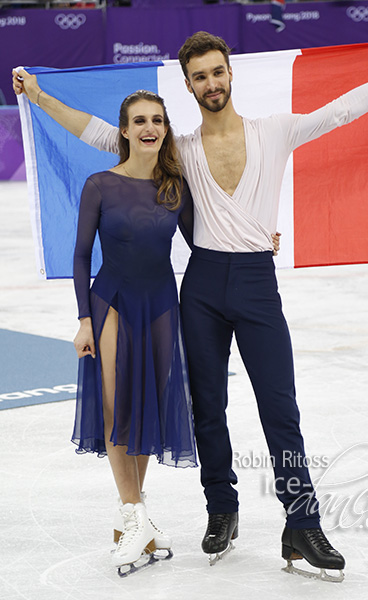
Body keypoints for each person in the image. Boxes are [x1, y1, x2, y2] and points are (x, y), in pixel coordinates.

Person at [12, 27, 368, 579]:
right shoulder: (176, 150)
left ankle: (302, 523)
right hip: (201, 287)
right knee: (208, 408)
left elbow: (342, 111)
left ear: (231, 74)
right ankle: (221, 510)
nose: (211, 83)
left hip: (257, 282)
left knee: (281, 408)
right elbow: (101, 135)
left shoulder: (274, 131)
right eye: (200, 76)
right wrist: (39, 97)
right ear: (189, 85)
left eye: (217, 72)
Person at [71, 89, 198, 574]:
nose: (150, 127)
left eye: (158, 120)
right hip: (112, 302)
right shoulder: (100, 184)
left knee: (147, 408)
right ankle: (135, 512)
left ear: (165, 129)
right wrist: (84, 318)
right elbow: (82, 256)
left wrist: (257, 240)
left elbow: (204, 241)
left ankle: (133, 518)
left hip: (163, 304)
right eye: (139, 120)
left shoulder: (175, 186)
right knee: (115, 405)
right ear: (123, 131)